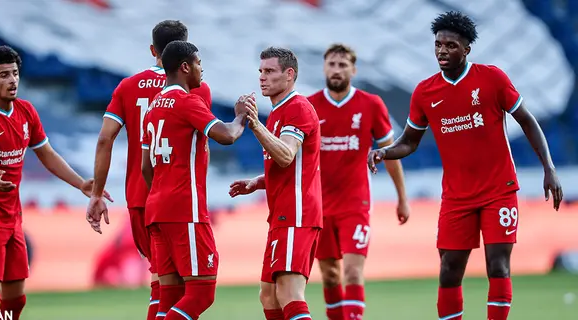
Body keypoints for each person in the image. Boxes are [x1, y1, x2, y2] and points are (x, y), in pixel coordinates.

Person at [368, 11, 563, 320]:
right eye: (438, 45)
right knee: (449, 269)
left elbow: (527, 120)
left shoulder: (492, 78)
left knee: (497, 265)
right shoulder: (425, 92)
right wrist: (385, 152)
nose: (443, 51)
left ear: (467, 48)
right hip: (457, 196)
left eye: (451, 45)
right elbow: (409, 141)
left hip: (499, 190)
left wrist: (549, 168)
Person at [0, 45, 111, 320]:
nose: (12, 80)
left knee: (15, 301)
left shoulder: (26, 112)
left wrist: (80, 184)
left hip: (12, 216)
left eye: (15, 73)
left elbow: (48, 155)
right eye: (4, 75)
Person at [85, 20, 211, 320]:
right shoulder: (196, 88)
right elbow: (205, 144)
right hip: (180, 200)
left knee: (162, 284)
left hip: (142, 199)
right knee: (188, 289)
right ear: (186, 54)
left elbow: (105, 138)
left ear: (153, 50)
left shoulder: (128, 87)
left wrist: (97, 193)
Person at [141, 40, 249, 320]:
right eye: (199, 63)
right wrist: (240, 116)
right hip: (184, 210)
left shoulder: (153, 108)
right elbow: (226, 135)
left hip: (157, 210)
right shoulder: (186, 102)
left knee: (170, 297)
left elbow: (145, 167)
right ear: (185, 67)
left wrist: (163, 192)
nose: (202, 69)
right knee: (202, 291)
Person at [306, 44, 410, 320]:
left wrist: (402, 197)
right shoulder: (309, 106)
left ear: (353, 70)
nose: (336, 70)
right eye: (332, 64)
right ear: (324, 68)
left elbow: (389, 154)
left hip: (356, 203)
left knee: (352, 271)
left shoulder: (371, 104)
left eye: (342, 65)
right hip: (319, 205)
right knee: (329, 275)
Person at [229, 47, 321, 320]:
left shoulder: (298, 108)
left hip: (297, 213)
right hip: (282, 213)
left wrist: (255, 125)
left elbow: (286, 155)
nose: (262, 78)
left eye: (269, 71)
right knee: (268, 294)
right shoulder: (278, 112)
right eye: (260, 71)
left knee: (289, 292)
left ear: (289, 74)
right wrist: (257, 182)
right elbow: (291, 167)